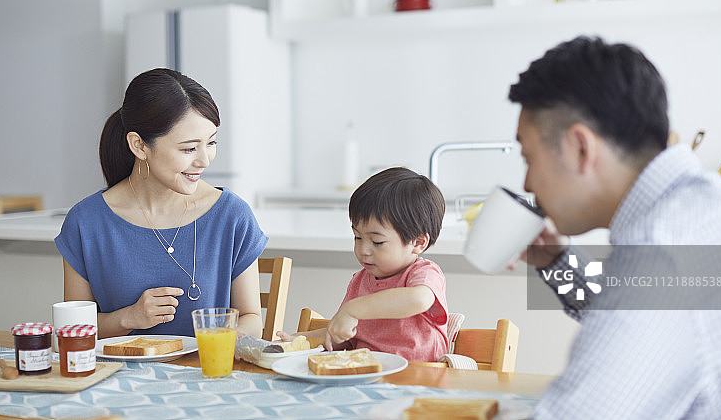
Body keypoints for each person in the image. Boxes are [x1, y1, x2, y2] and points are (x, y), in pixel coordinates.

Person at [508, 36, 721, 418]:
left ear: (580, 148)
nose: (526, 184)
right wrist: (557, 261)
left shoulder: (664, 252)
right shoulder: (712, 207)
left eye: (528, 157)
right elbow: (642, 317)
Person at [55, 68, 267, 339]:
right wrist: (128, 317)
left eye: (211, 143)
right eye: (189, 148)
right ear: (140, 146)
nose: (205, 160)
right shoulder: (86, 222)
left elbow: (251, 320)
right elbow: (71, 330)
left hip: (206, 375)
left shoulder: (232, 216)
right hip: (116, 377)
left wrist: (208, 345)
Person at [280, 167, 449, 362]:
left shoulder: (424, 273)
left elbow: (418, 299)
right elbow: (345, 337)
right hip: (368, 375)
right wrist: (299, 341)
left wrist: (353, 309)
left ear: (418, 242)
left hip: (418, 379)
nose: (363, 250)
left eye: (377, 242)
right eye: (357, 237)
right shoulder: (360, 281)